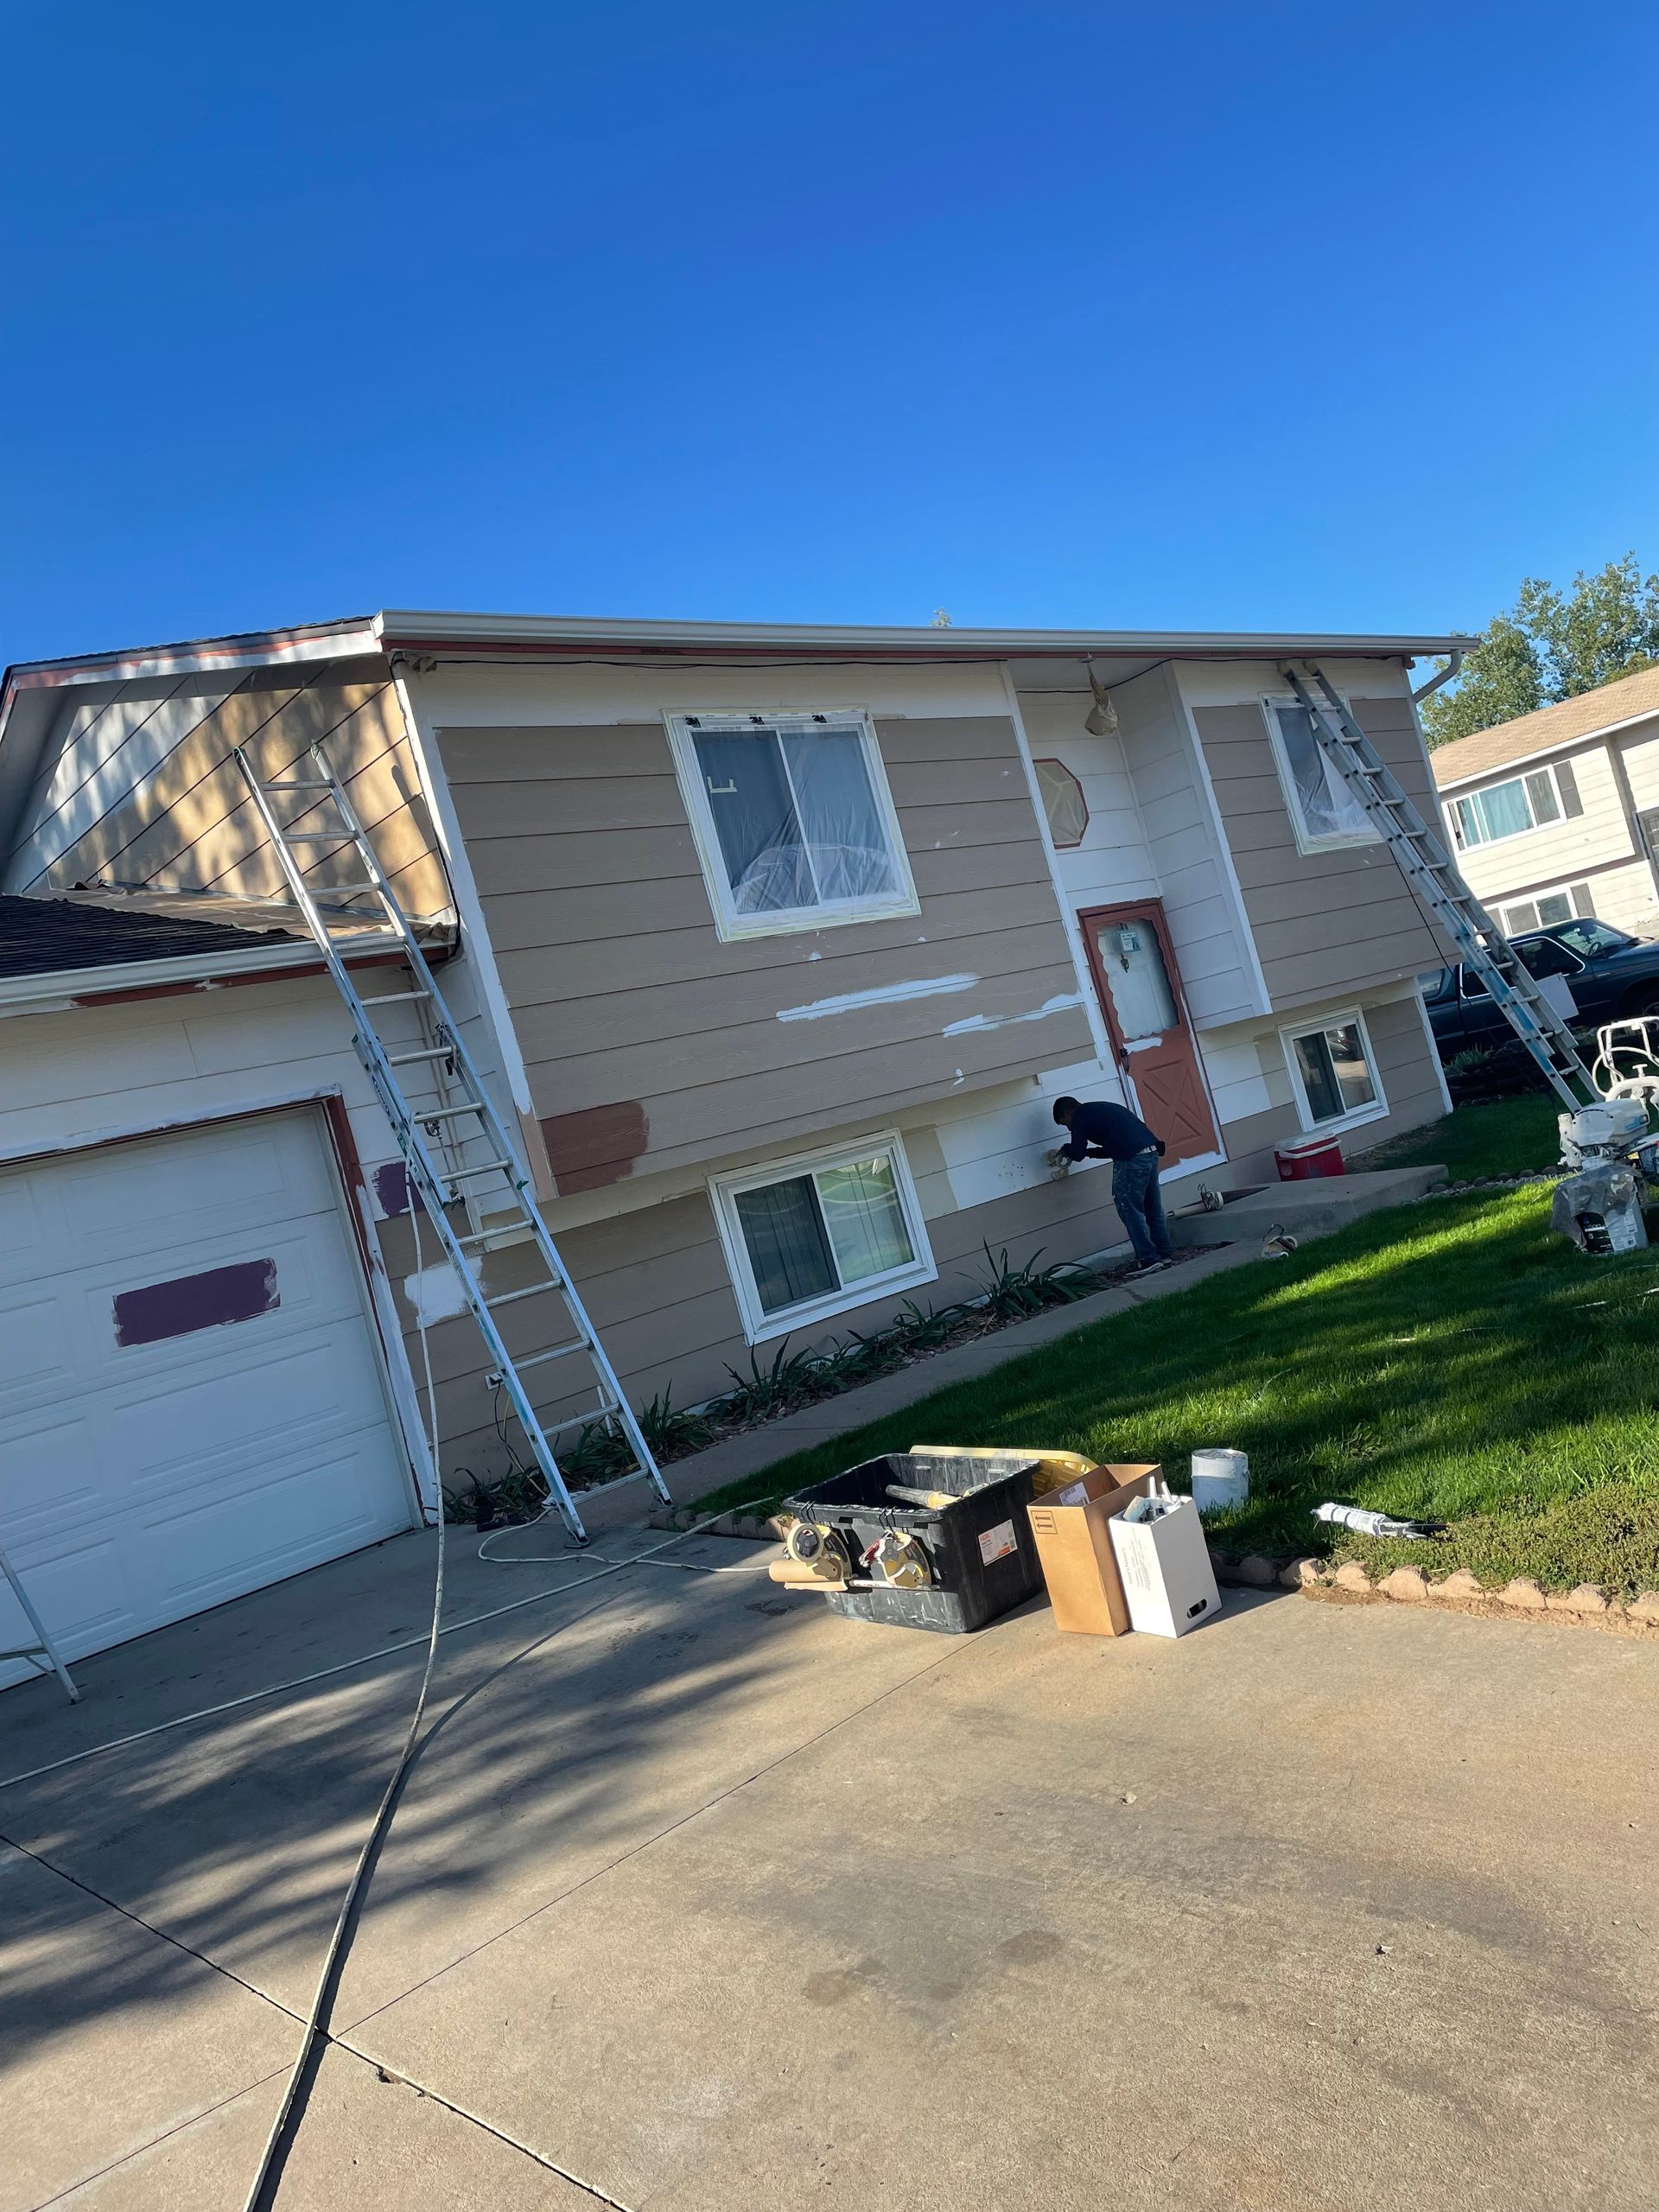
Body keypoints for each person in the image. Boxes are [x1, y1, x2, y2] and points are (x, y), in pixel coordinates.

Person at [1052, 1094, 1173, 1274]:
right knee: (1152, 1207)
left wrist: (1065, 1149)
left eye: (1065, 1123)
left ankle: (1149, 1259)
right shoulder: (1101, 1108)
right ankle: (1164, 1254)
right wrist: (1089, 1153)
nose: (1069, 1127)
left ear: (1068, 1112)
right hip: (1151, 1152)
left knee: (1129, 1209)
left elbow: (1077, 1153)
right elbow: (1114, 1147)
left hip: (1131, 1160)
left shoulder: (1079, 1117)